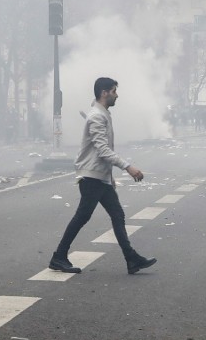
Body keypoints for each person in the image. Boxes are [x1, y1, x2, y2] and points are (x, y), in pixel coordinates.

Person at [48, 77, 157, 275]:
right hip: (91, 177)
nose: (117, 95)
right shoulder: (97, 116)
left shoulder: (101, 114)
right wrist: (128, 167)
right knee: (83, 216)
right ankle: (59, 257)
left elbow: (102, 152)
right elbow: (102, 150)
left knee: (117, 215)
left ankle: (131, 259)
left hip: (99, 176)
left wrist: (109, 177)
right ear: (104, 92)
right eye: (114, 91)